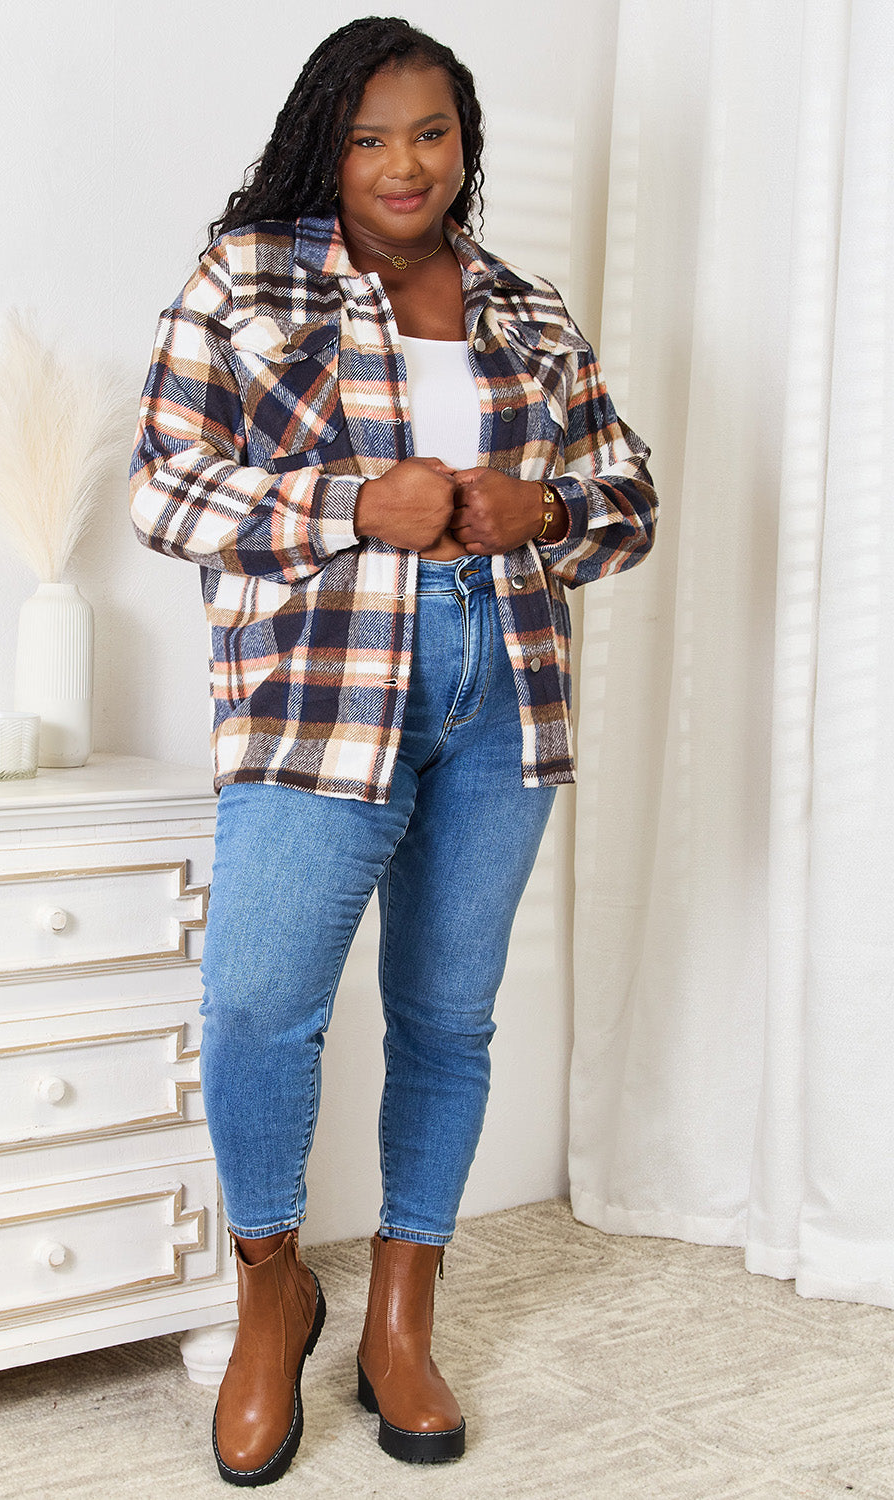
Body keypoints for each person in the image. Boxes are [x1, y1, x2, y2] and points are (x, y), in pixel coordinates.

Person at [130, 16, 656, 1486]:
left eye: (430, 132)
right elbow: (165, 490)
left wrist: (541, 513)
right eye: (369, 138)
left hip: (505, 698)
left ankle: (405, 1311)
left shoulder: (527, 309)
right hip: (320, 698)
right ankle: (271, 1293)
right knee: (257, 1004)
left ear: (466, 142)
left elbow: (629, 492)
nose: (403, 164)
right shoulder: (248, 281)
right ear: (326, 145)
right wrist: (359, 506)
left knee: (447, 1015)